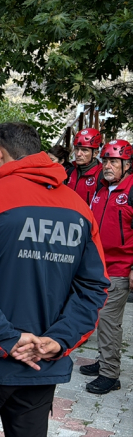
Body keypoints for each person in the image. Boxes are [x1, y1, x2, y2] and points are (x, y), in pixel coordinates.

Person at [0, 122, 109, 437]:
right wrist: (60, 340)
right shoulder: (80, 208)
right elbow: (94, 287)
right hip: (42, 364)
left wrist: (8, 338)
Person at [78, 139, 133, 395]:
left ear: (127, 164)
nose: (108, 166)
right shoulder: (101, 190)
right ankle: (104, 359)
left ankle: (110, 374)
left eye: (114, 161)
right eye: (106, 161)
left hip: (120, 269)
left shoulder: (131, 190)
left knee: (110, 322)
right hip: (97, 268)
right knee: (99, 319)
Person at [65, 127, 103, 205]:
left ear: (95, 153)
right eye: (76, 149)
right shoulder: (70, 172)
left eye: (84, 150)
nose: (78, 154)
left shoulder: (102, 175)